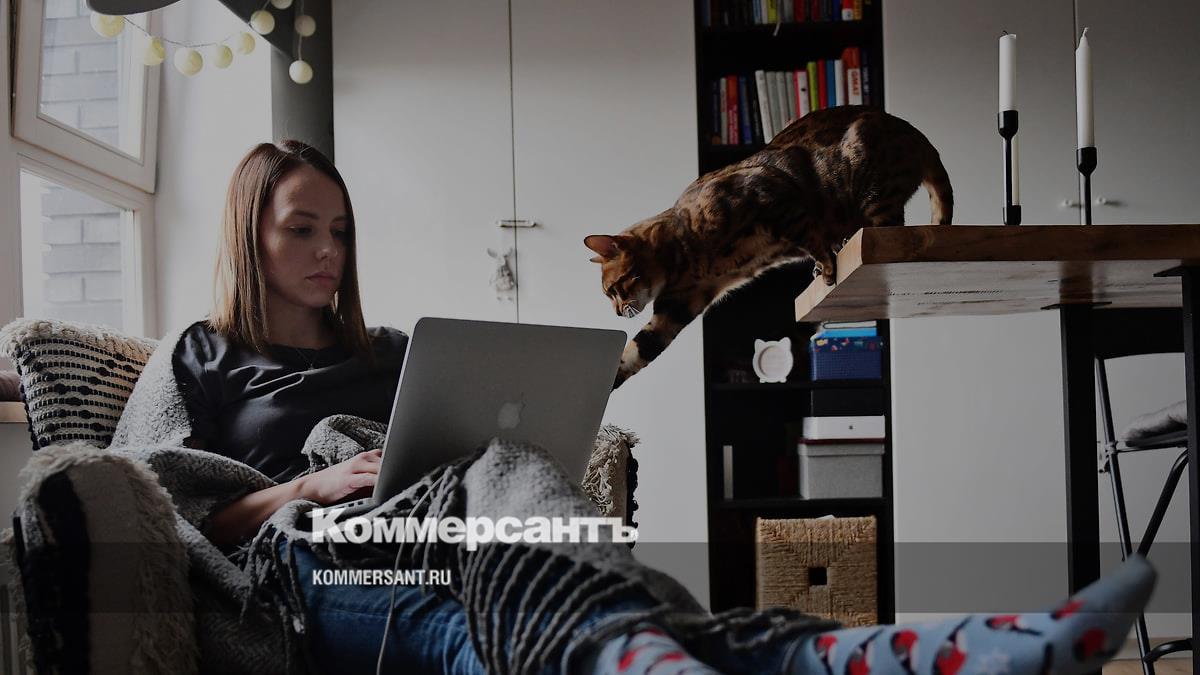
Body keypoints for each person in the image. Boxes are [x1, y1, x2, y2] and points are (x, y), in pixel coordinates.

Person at [173, 140, 1156, 675]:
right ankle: (884, 653)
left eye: (341, 229)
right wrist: (307, 486)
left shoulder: (388, 350)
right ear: (248, 233)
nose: (329, 250)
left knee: (510, 490)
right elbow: (167, 512)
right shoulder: (200, 356)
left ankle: (806, 655)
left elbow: (446, 458)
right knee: (486, 596)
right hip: (306, 564)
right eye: (301, 228)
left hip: (439, 541)